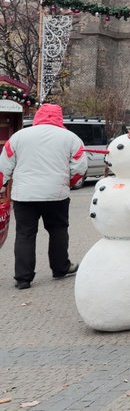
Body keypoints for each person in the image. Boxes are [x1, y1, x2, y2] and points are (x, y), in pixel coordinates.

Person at [0, 103, 88, 290]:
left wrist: (2, 185)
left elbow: (4, 165)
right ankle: (60, 267)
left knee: (24, 234)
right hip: (56, 194)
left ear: (38, 116)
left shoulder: (19, 136)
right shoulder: (71, 138)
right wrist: (68, 183)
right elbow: (80, 167)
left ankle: (23, 278)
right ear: (59, 117)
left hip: (24, 195)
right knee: (58, 230)